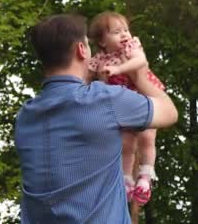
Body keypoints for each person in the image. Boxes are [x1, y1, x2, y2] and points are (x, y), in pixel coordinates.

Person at [14, 13, 177, 223]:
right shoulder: (104, 100)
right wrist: (140, 76)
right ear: (82, 50)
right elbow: (169, 112)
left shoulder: (25, 116)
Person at [88, 11, 165, 205]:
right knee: (126, 144)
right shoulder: (99, 60)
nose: (124, 34)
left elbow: (141, 61)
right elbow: (85, 77)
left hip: (143, 97)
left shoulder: (131, 47)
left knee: (147, 137)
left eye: (126, 30)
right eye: (116, 32)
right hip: (122, 106)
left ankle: (146, 176)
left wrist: (119, 69)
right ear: (102, 42)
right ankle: (126, 180)